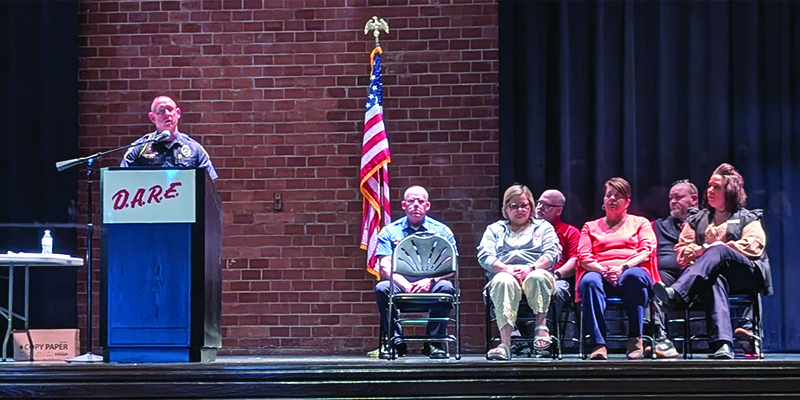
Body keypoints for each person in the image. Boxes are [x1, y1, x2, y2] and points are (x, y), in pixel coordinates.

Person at [654, 163, 772, 359]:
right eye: (709, 185)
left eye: (716, 187)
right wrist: (702, 250)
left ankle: (676, 293)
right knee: (713, 280)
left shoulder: (747, 217)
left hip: (743, 275)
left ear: (730, 190)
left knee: (717, 251)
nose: (710, 190)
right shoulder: (698, 219)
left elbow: (754, 246)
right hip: (711, 276)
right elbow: (682, 251)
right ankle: (723, 344)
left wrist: (720, 247)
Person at [577, 177, 658, 360]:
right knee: (589, 281)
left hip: (629, 269)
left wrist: (623, 267)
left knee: (634, 277)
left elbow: (647, 251)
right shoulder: (590, 227)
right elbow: (583, 258)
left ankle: (635, 337)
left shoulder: (640, 223)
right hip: (600, 272)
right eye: (609, 195)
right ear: (603, 200)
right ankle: (598, 344)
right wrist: (602, 270)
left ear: (627, 202)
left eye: (618, 196)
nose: (612, 199)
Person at [478, 184, 561, 360]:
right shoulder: (495, 229)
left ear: (531, 206)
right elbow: (485, 256)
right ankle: (506, 343)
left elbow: (552, 253)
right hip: (505, 274)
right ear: (505, 209)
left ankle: (541, 328)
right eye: (513, 206)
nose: (519, 210)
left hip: (536, 271)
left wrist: (530, 269)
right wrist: (507, 269)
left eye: (524, 205)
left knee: (537, 277)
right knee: (502, 280)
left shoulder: (543, 227)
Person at [373, 185, 457, 359]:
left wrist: (430, 280)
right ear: (404, 205)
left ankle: (433, 343)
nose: (416, 205)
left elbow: (450, 264)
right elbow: (384, 265)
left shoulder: (442, 231)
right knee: (382, 288)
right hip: (401, 284)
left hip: (432, 283)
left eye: (420, 201)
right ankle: (396, 343)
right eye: (411, 201)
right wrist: (405, 284)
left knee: (446, 287)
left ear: (427, 206)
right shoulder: (390, 232)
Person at [649, 180, 699, 358]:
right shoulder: (658, 226)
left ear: (693, 199)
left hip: (697, 278)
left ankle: (721, 342)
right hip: (667, 276)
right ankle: (659, 339)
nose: (673, 202)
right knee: (654, 282)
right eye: (671, 198)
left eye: (678, 197)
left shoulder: (707, 221)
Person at [121, 96, 218, 180]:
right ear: (152, 118)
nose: (167, 114)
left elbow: (209, 183)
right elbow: (122, 178)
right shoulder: (140, 147)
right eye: (161, 111)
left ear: (178, 113)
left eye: (170, 109)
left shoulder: (194, 148)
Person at [535, 189, 580, 321]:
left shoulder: (570, 232)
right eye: (539, 203)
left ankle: (545, 337)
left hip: (557, 278)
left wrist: (556, 275)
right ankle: (517, 336)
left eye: (546, 205)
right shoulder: (525, 229)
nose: (539, 208)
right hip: (528, 276)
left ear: (559, 211)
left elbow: (575, 260)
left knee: (556, 291)